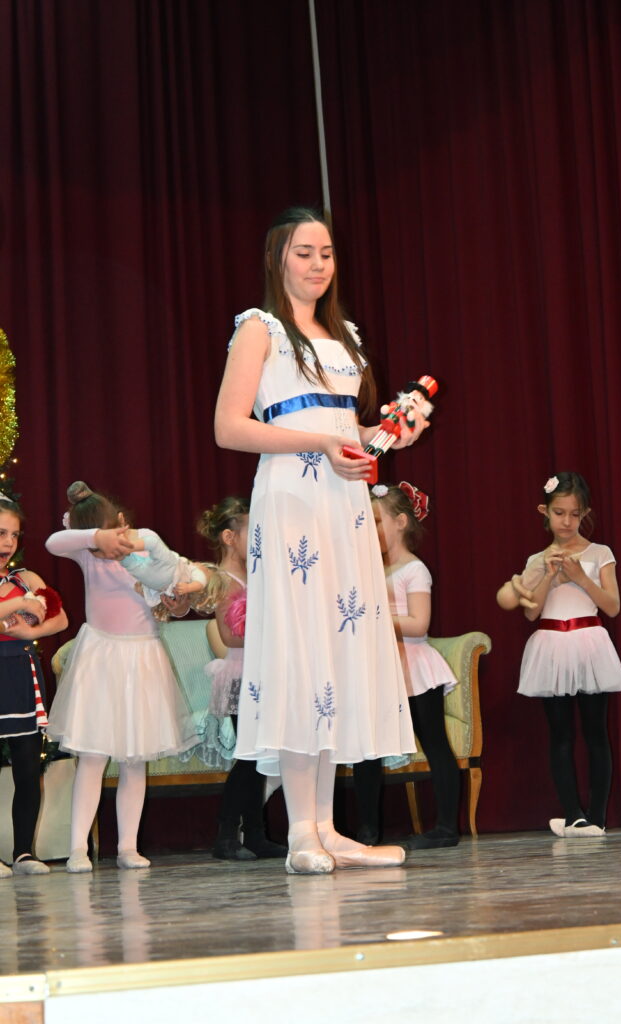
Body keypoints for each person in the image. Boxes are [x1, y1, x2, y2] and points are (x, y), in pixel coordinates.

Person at [214, 206, 426, 874]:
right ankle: (300, 831)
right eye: (303, 252)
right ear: (277, 258)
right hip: (292, 500)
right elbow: (229, 426)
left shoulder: (344, 337)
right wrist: (323, 443)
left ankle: (328, 829)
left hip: (343, 505)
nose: (317, 264)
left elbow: (344, 430)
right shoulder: (260, 329)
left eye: (326, 253)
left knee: (335, 653)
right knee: (301, 651)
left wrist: (384, 434)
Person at [46, 481, 197, 872]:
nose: (109, 548)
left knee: (134, 758)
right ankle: (78, 848)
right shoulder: (89, 554)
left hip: (142, 659)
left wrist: (177, 603)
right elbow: (53, 543)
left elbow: (178, 599)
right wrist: (95, 539)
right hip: (100, 657)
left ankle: (128, 847)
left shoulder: (147, 548)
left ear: (123, 521)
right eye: (99, 540)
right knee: (93, 756)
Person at [496, 472, 621, 837]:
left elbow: (613, 606)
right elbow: (531, 612)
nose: (567, 522)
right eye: (559, 513)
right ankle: (573, 816)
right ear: (545, 512)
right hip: (552, 646)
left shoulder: (600, 553)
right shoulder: (538, 559)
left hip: (588, 644)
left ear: (584, 513)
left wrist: (581, 578)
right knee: (561, 734)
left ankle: (597, 817)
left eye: (574, 514)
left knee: (595, 732)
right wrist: (548, 575)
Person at [353, 483, 460, 850]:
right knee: (368, 750)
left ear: (400, 522)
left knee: (434, 743)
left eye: (376, 521)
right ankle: (368, 831)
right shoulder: (367, 571)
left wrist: (376, 617)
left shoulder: (414, 569)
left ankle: (446, 827)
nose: (370, 529)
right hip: (378, 667)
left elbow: (418, 623)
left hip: (413, 666)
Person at [193, 496, 286, 861]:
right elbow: (231, 636)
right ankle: (226, 834)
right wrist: (274, 630)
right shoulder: (223, 580)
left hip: (263, 672)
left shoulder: (254, 575)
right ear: (230, 538)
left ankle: (256, 834)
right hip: (243, 674)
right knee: (249, 757)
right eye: (253, 532)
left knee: (261, 756)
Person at [0, 493, 69, 875]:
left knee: (27, 767)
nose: (9, 543)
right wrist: (17, 606)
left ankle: (24, 852)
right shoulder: (19, 592)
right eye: (1, 533)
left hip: (21, 675)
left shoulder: (25, 579)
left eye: (14, 535)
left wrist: (30, 629)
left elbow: (59, 618)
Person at [119, 529, 209, 616]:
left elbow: (201, 581)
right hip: (158, 579)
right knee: (131, 562)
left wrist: (187, 592)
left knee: (151, 546)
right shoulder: (187, 576)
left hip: (166, 573)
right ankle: (121, 553)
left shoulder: (192, 571)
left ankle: (122, 551)